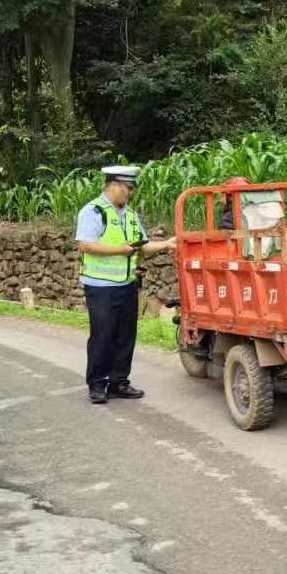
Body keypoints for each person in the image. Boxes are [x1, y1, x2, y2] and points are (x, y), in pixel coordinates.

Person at [76, 166, 176, 406]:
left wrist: (166, 245)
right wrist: (120, 250)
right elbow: (85, 245)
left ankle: (119, 382)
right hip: (100, 287)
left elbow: (142, 246)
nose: (129, 194)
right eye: (128, 189)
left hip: (127, 284)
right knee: (103, 335)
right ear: (115, 185)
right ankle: (98, 384)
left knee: (125, 335)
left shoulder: (130, 215)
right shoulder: (93, 211)